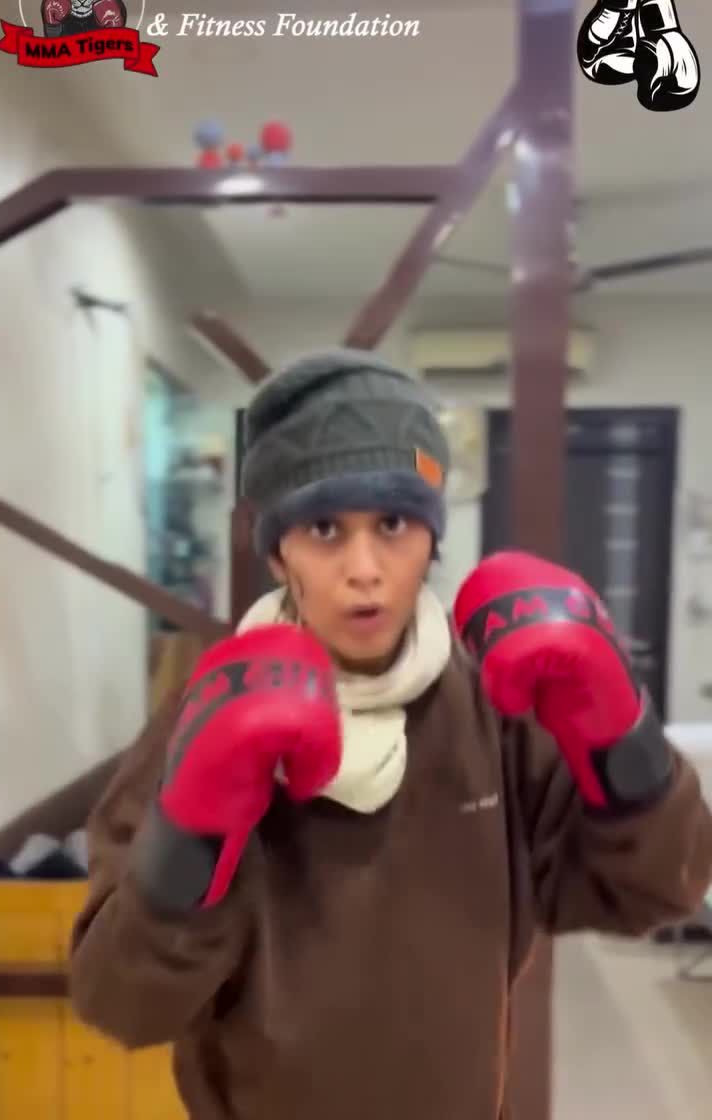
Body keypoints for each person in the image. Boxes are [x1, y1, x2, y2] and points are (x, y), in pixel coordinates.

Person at [68, 349, 712, 1120]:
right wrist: (193, 835)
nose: (365, 569)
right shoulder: (200, 722)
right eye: (325, 528)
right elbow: (122, 1004)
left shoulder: (493, 707)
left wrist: (622, 733)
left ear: (431, 539)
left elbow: (654, 890)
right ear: (277, 550)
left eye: (394, 524)